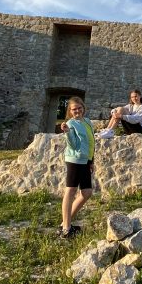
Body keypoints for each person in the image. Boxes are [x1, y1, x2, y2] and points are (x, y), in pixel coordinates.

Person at [59, 96, 94, 238]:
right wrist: (67, 132)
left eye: (79, 108)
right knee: (71, 190)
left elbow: (91, 143)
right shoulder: (70, 123)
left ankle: (64, 223)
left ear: (83, 108)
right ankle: (66, 229)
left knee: (87, 192)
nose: (77, 111)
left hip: (85, 161)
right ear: (70, 111)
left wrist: (91, 161)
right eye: (74, 109)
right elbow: (73, 145)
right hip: (74, 160)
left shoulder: (88, 122)